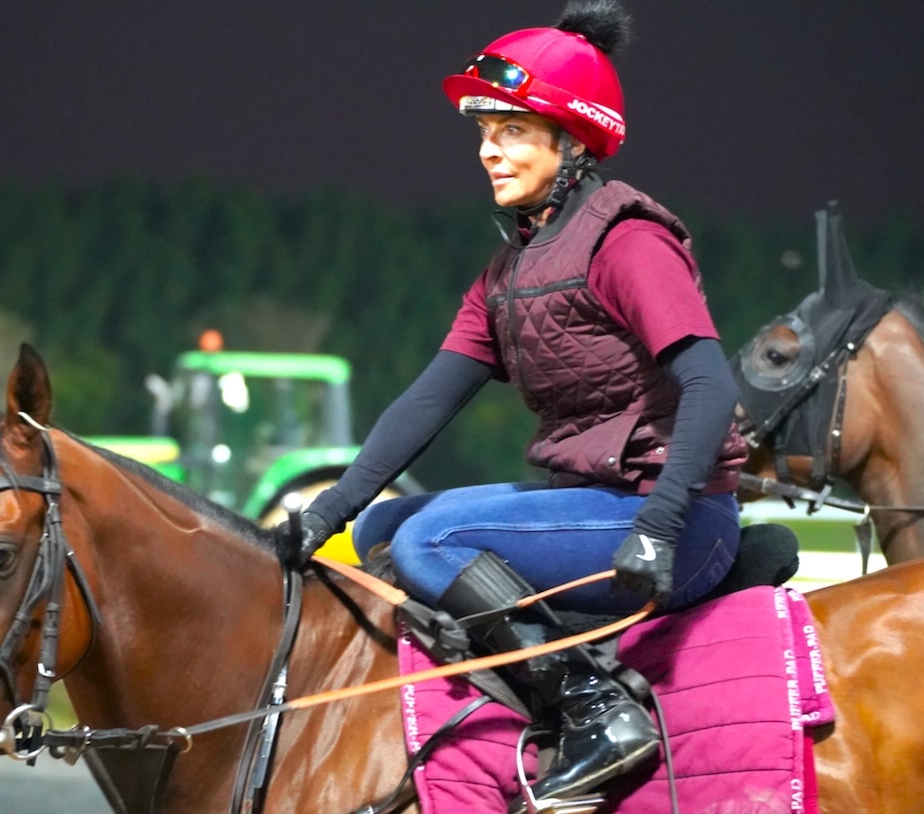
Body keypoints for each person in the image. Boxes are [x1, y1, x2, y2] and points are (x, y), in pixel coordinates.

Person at [285, 0, 749, 805]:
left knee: (434, 534)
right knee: (386, 528)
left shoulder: (628, 242)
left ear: (571, 142)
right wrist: (328, 514)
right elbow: (427, 402)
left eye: (511, 132)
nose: (488, 152)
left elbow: (711, 383)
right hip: (598, 508)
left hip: (675, 525)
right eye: (482, 134)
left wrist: (663, 522)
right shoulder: (509, 273)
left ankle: (598, 712)